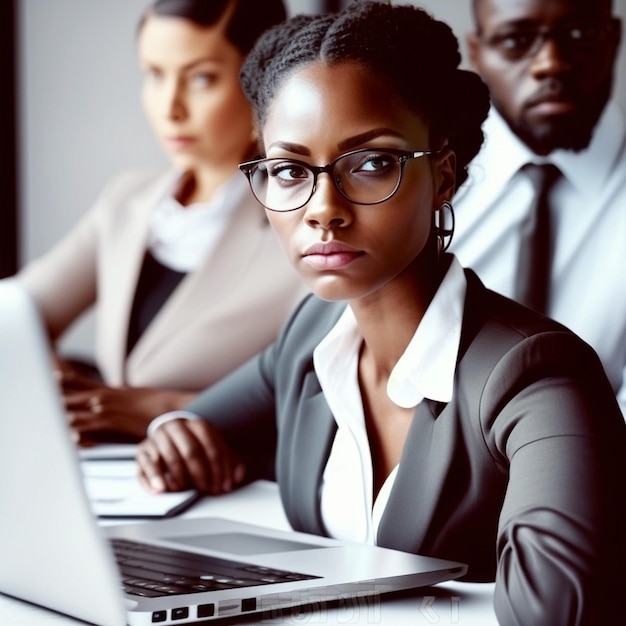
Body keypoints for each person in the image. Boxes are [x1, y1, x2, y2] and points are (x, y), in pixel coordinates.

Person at [136, 2, 626, 623]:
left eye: (371, 164)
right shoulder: (311, 333)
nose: (323, 208)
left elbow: (563, 612)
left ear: (444, 177)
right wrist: (169, 435)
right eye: (289, 170)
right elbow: (196, 424)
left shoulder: (536, 375)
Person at [13, 0, 306, 445]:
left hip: (233, 484)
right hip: (105, 477)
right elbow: (16, 313)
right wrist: (54, 382)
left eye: (201, 77)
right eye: (154, 74)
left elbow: (325, 394)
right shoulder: (128, 199)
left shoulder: (303, 220)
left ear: (262, 82)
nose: (170, 107)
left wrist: (168, 410)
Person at [451, 0, 626, 415]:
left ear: (614, 40)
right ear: (476, 54)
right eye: (516, 40)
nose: (551, 64)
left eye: (581, 35)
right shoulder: (420, 182)